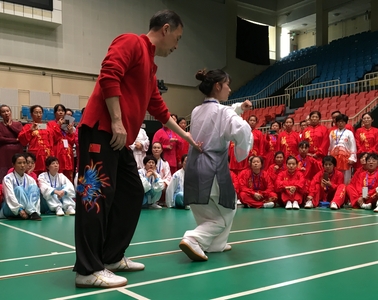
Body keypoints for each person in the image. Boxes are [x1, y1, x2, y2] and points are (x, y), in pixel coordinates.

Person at [74, 10, 200, 288]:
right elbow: (109, 75)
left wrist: (187, 136)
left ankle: (110, 256)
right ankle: (87, 269)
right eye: (177, 38)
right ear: (165, 29)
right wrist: (117, 121)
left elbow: (160, 109)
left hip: (118, 140)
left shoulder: (151, 68)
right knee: (93, 196)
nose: (177, 46)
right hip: (101, 129)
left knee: (132, 192)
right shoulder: (131, 42)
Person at [180, 69, 253, 262]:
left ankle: (215, 244)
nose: (229, 88)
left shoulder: (196, 111)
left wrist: (240, 108)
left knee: (205, 210)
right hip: (212, 167)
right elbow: (240, 128)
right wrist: (242, 146)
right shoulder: (223, 112)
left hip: (194, 166)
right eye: (227, 84)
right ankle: (193, 238)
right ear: (218, 86)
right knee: (226, 212)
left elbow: (221, 114)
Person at [18, 105, 61, 175]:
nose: (38, 115)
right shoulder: (28, 126)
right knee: (34, 174)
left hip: (48, 155)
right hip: (35, 156)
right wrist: (30, 130)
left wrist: (58, 126)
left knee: (48, 174)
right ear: (31, 114)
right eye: (36, 112)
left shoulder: (47, 127)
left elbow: (55, 138)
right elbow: (22, 140)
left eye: (40, 113)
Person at [1, 153, 41, 220]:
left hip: (27, 211)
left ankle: (32, 211)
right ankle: (31, 212)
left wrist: (36, 210)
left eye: (24, 163)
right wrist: (19, 210)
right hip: (11, 209)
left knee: (34, 188)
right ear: (13, 165)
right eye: (19, 163)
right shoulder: (8, 178)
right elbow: (9, 196)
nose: (22, 165)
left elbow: (36, 197)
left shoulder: (30, 179)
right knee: (19, 189)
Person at [47, 104, 76, 182]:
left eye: (62, 111)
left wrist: (70, 133)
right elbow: (52, 138)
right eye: (59, 110)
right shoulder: (51, 124)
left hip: (68, 153)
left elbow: (72, 141)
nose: (61, 112)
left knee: (69, 176)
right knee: (58, 173)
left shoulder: (68, 123)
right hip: (57, 151)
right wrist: (58, 125)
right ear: (55, 113)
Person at [328, 114, 356, 184]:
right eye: (339, 122)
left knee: (346, 176)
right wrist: (328, 157)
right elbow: (330, 145)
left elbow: (352, 146)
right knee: (335, 174)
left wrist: (352, 158)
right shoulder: (332, 133)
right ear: (336, 122)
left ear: (345, 123)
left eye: (342, 122)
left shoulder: (349, 133)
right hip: (334, 157)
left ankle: (345, 190)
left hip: (346, 158)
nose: (340, 123)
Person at [0, 105, 23, 182]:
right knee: (4, 173)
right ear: (0, 114)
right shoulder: (0, 125)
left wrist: (10, 126)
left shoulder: (18, 124)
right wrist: (15, 140)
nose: (6, 113)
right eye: (3, 112)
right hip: (4, 153)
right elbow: (1, 139)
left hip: (17, 151)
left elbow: (21, 135)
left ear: (11, 112)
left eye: (7, 111)